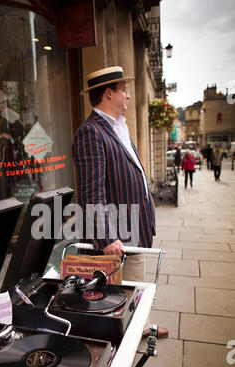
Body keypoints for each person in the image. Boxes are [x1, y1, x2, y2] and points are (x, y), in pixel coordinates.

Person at [72, 66, 168, 338]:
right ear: (108, 92)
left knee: (136, 286)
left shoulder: (118, 127)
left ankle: (142, 327)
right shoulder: (91, 131)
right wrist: (106, 237)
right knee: (120, 294)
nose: (128, 95)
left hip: (133, 229)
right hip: (117, 237)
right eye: (123, 89)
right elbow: (92, 193)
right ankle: (126, 338)